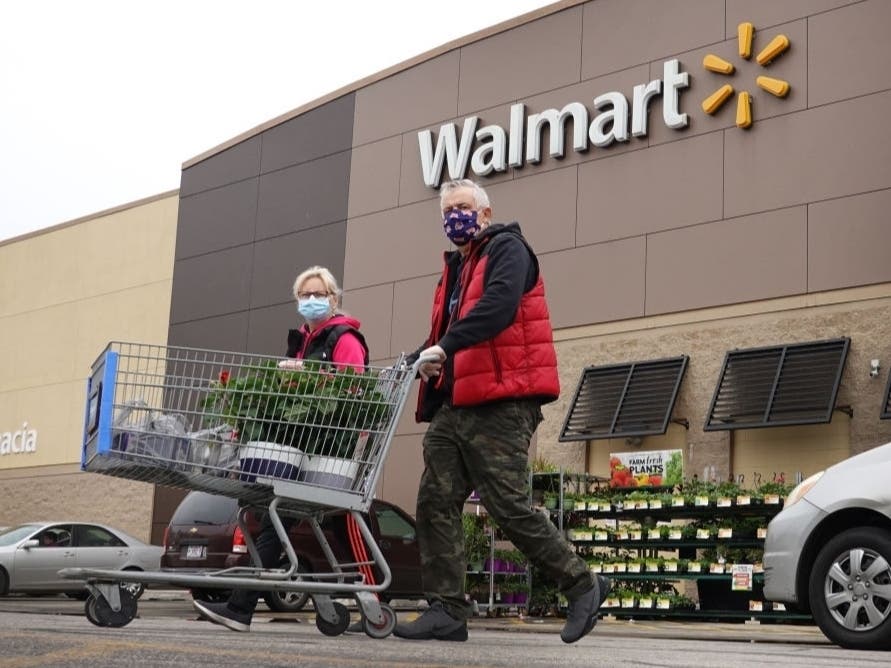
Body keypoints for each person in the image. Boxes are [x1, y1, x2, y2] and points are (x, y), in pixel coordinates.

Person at [392, 179, 611, 644]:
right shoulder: (455, 270)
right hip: (457, 404)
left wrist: (443, 349)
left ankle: (583, 584)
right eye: (448, 209)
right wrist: (415, 361)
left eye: (464, 207)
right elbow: (448, 330)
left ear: (485, 214)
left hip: (503, 400)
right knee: (435, 500)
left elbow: (497, 309)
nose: (456, 216)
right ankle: (447, 609)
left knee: (506, 505)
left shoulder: (508, 249)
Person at [193, 265, 373, 632]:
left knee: (325, 521)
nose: (311, 301)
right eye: (304, 295)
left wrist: (306, 377)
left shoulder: (345, 338)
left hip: (329, 449)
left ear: (334, 298)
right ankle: (242, 607)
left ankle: (373, 603)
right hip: (301, 446)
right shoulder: (301, 339)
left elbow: (354, 390)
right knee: (281, 518)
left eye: (318, 294)